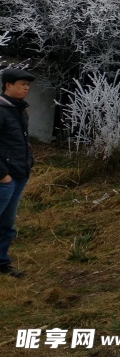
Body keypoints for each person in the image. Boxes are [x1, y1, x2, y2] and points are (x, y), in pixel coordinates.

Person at [0, 67, 35, 278]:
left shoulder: (19, 109)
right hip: (5, 178)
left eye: (28, 85)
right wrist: (3, 175)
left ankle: (2, 263)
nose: (26, 88)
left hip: (20, 174)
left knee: (6, 224)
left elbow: (20, 141)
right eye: (22, 84)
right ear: (8, 85)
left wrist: (29, 162)